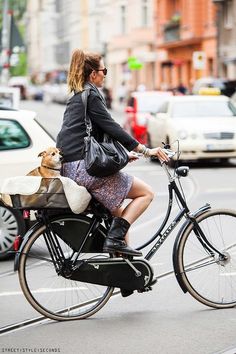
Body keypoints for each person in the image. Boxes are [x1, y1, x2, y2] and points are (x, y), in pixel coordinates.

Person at [56, 49, 169, 259]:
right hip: (84, 169)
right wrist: (145, 150)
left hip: (73, 167)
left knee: (117, 210)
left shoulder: (78, 95)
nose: (105, 74)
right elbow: (112, 127)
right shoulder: (91, 95)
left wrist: (125, 156)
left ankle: (126, 272)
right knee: (146, 193)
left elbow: (94, 139)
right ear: (93, 74)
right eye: (104, 70)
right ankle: (115, 242)